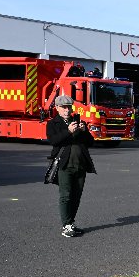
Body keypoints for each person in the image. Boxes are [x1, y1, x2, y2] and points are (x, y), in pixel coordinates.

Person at [46, 95, 96, 237]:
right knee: (66, 196)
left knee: (76, 196)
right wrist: (68, 131)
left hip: (80, 164)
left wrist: (84, 130)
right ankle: (66, 226)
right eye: (64, 107)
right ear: (57, 108)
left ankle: (71, 223)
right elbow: (53, 141)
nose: (67, 110)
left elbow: (90, 142)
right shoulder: (53, 123)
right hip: (65, 165)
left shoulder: (77, 120)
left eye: (69, 107)